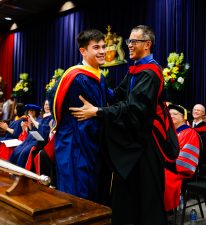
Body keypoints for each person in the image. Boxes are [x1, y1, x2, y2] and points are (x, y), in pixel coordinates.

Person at [69, 25, 168, 225]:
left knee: (147, 199)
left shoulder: (150, 73)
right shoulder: (136, 70)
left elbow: (133, 108)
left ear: (147, 45)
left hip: (148, 144)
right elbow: (116, 95)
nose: (129, 45)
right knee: (127, 195)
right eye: (129, 41)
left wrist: (97, 111)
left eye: (134, 41)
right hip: (135, 142)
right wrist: (96, 82)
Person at [51, 29, 109, 204]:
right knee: (77, 198)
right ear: (83, 51)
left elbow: (108, 98)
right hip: (76, 145)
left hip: (89, 143)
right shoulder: (78, 78)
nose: (102, 51)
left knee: (90, 196)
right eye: (96, 47)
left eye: (104, 46)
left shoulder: (98, 76)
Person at [164, 104, 200, 212]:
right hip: (167, 166)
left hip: (179, 170)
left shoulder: (190, 133)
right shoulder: (168, 132)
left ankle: (162, 210)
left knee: (161, 176)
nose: (172, 116)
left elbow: (186, 162)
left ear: (183, 118)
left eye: (175, 114)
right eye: (169, 114)